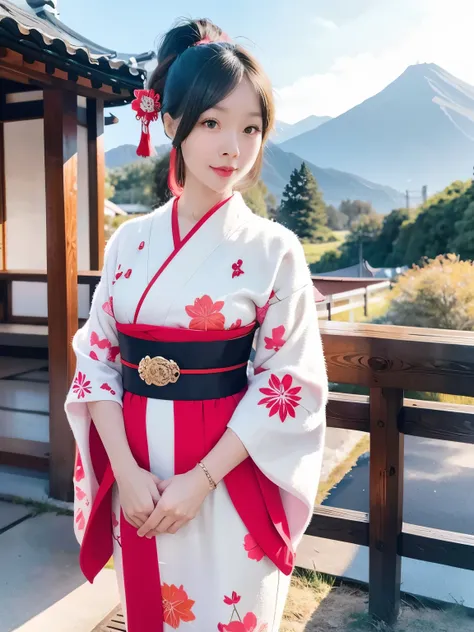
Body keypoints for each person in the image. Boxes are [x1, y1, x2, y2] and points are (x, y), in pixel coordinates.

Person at [65, 17, 328, 632]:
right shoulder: (130, 241)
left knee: (227, 613)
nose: (232, 147)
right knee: (151, 613)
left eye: (250, 128)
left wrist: (201, 480)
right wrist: (126, 475)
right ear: (170, 123)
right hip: (140, 477)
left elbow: (288, 383)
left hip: (229, 474)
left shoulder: (274, 249)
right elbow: (98, 359)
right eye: (211, 123)